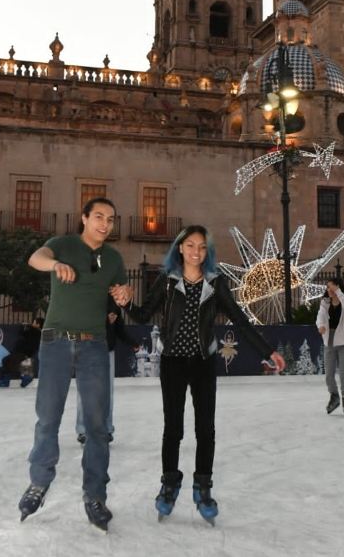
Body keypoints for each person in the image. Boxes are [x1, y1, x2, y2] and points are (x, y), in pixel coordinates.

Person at [110, 225, 286, 525]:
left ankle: (202, 487)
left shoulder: (216, 283)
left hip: (203, 362)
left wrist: (267, 351)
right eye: (190, 245)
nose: (196, 251)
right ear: (180, 248)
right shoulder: (167, 281)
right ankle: (169, 484)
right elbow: (142, 315)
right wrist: (125, 303)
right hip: (173, 362)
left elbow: (241, 321)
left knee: (206, 429)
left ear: (207, 252)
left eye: (202, 247)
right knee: (173, 428)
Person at [17, 197, 127, 532]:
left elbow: (121, 289)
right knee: (48, 417)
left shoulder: (113, 258)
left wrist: (125, 294)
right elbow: (36, 258)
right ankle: (38, 483)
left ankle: (95, 495)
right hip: (55, 342)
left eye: (110, 218)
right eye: (98, 217)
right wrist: (54, 265)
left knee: (96, 427)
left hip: (94, 345)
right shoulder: (62, 244)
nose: (104, 224)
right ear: (84, 218)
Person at [76, 297, 137, 444]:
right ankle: (83, 429)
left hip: (107, 351)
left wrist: (133, 343)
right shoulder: (85, 296)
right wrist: (105, 321)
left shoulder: (112, 302)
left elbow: (119, 328)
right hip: (87, 349)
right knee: (85, 391)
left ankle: (107, 428)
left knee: (107, 392)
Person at [316, 278, 344, 415]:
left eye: (331, 287)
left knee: (343, 373)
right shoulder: (325, 303)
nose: (329, 290)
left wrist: (337, 291)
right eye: (327, 288)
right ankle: (334, 396)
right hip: (329, 342)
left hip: (343, 342)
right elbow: (320, 316)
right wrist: (320, 325)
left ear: (338, 288)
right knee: (329, 375)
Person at [0, 317, 43, 388]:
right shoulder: (39, 333)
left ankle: (5, 381)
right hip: (27, 353)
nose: (32, 323)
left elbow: (22, 334)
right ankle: (25, 379)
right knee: (13, 362)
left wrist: (23, 327)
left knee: (6, 361)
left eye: (34, 322)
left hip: (21, 351)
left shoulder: (32, 330)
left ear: (38, 324)